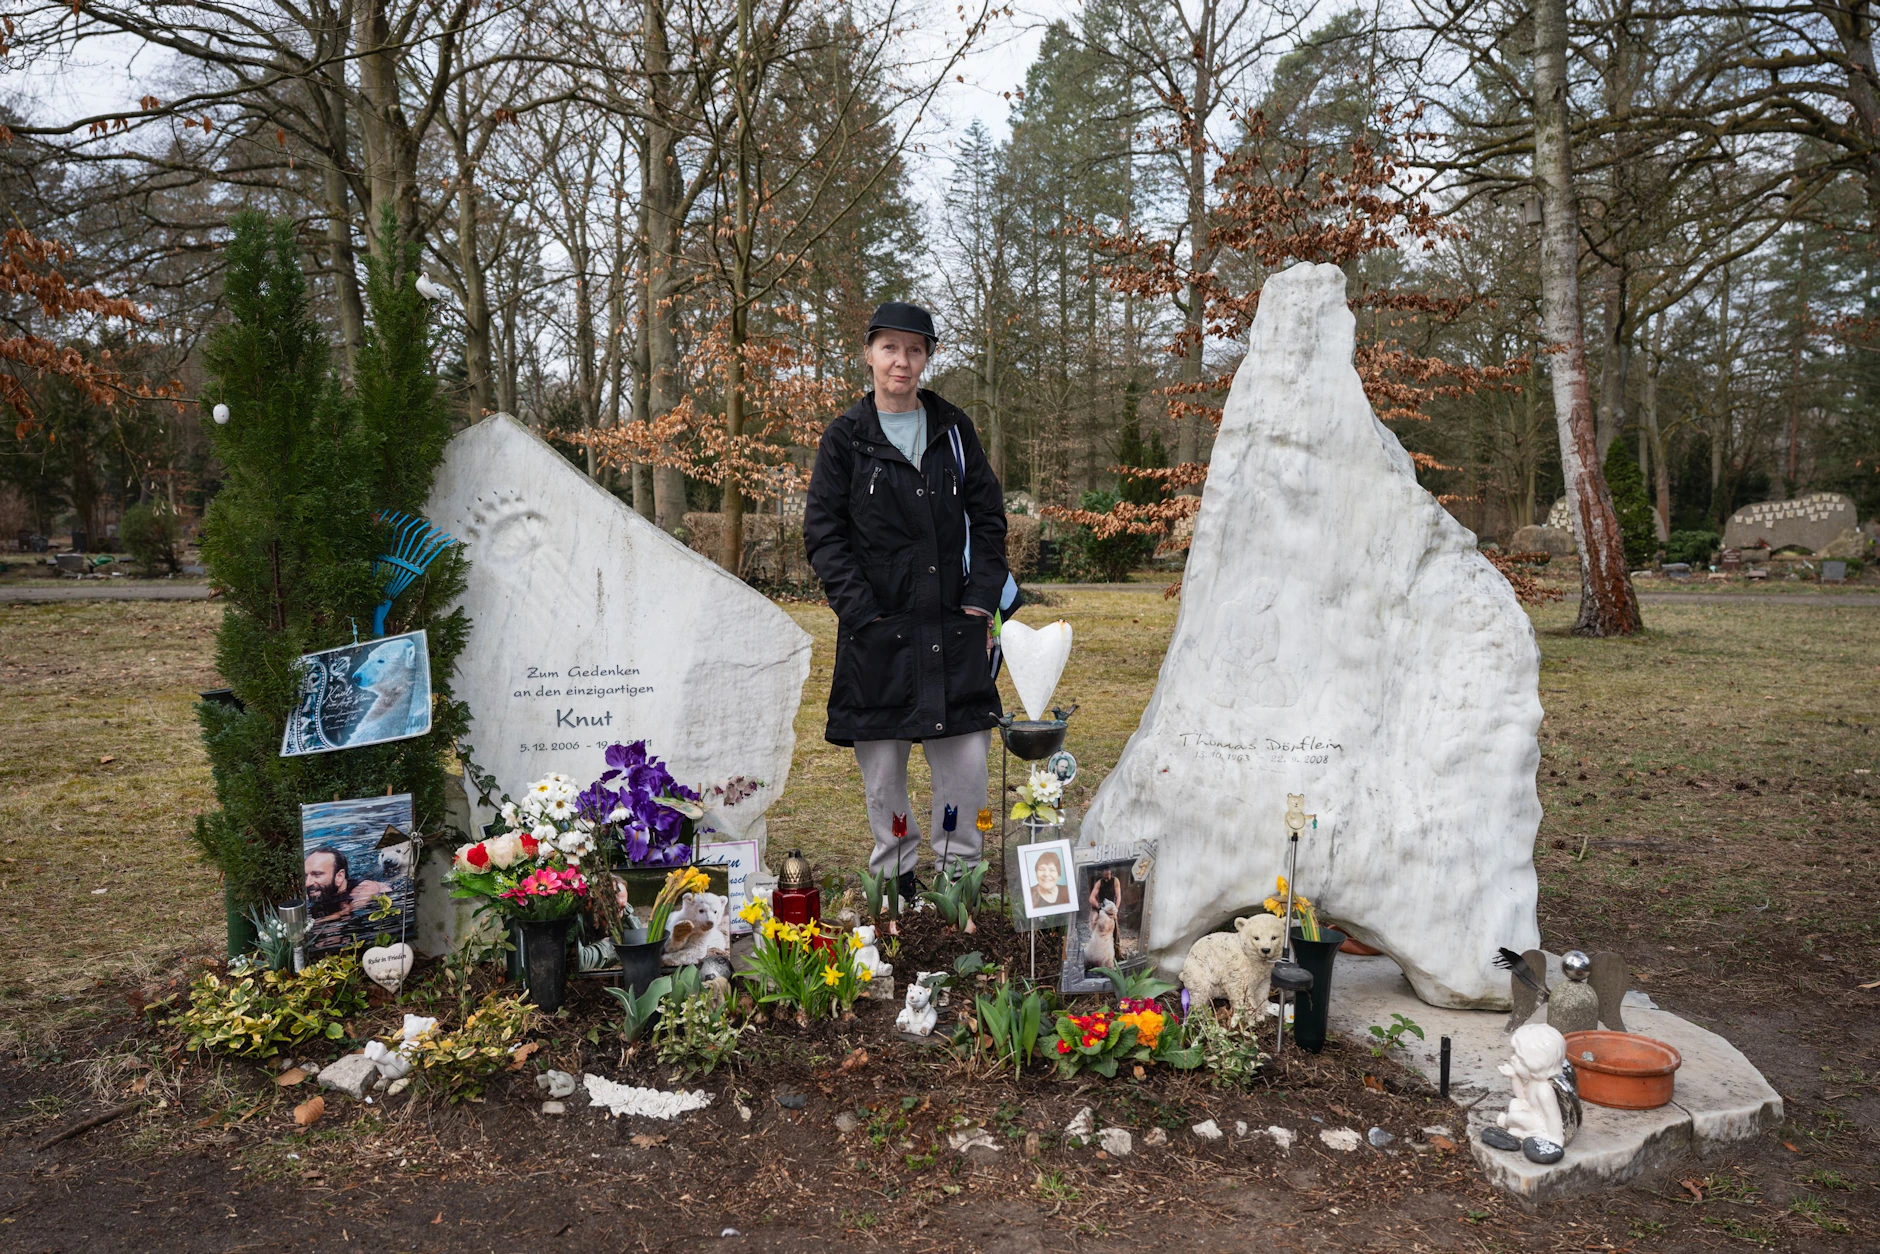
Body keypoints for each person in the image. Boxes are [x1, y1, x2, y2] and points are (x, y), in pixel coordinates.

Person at [805, 301, 1009, 900]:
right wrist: (861, 610)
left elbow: (988, 517)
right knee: (885, 779)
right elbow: (824, 532)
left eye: (915, 349)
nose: (902, 360)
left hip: (954, 629)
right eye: (890, 347)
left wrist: (980, 598)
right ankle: (895, 886)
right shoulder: (845, 438)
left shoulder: (954, 430)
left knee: (965, 771)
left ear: (927, 358)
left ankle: (957, 884)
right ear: (869, 354)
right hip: (879, 636)